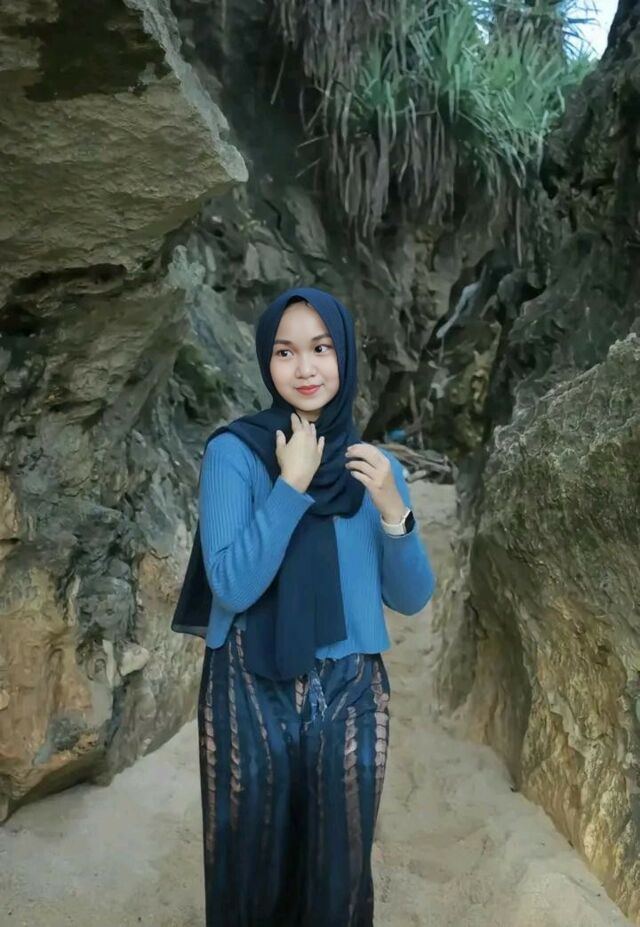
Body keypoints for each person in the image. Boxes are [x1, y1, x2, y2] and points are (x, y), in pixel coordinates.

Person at [175, 286, 436, 927]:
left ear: (344, 354)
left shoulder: (374, 467)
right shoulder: (234, 453)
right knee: (250, 861)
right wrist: (290, 483)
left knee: (339, 868)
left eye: (321, 348)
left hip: (352, 682)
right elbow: (232, 586)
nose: (305, 368)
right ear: (267, 362)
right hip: (248, 681)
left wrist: (393, 511)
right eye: (285, 352)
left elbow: (411, 598)